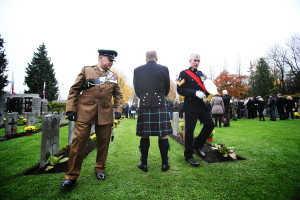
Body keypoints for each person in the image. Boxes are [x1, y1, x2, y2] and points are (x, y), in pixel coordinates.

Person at [60, 49, 123, 189]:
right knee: (78, 144)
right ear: (101, 58)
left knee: (103, 144)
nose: (111, 63)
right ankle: (71, 176)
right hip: (85, 112)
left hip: (105, 114)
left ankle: (100, 168)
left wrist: (118, 109)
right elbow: (74, 90)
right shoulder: (86, 70)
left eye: (113, 61)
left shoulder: (113, 76)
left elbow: (118, 95)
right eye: (109, 60)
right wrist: (71, 108)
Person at [133, 50, 172, 172]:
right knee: (163, 135)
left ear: (146, 59)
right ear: (156, 58)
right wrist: (159, 96)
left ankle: (144, 164)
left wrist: (145, 97)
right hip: (160, 103)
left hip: (145, 104)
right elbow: (167, 89)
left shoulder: (137, 70)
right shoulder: (164, 69)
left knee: (145, 135)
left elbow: (137, 89)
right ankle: (164, 164)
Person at [177, 54, 215, 167]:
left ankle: (197, 146)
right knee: (189, 131)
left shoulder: (201, 74)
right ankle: (188, 155)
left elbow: (206, 87)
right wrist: (194, 93)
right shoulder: (183, 73)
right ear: (190, 61)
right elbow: (180, 89)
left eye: (198, 61)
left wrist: (207, 92)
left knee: (210, 124)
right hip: (190, 106)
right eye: (195, 60)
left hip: (201, 105)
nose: (196, 62)